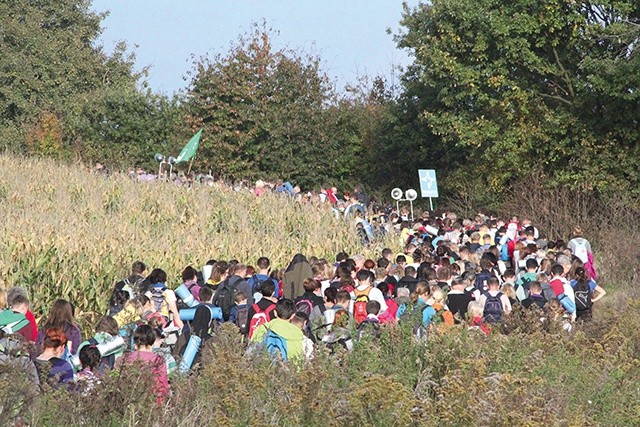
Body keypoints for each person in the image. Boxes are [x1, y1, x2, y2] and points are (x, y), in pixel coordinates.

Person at [119, 324, 169, 403]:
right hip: (151, 402)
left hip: (126, 401)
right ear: (152, 342)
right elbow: (162, 385)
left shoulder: (123, 359)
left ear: (135, 343)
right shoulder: (158, 360)